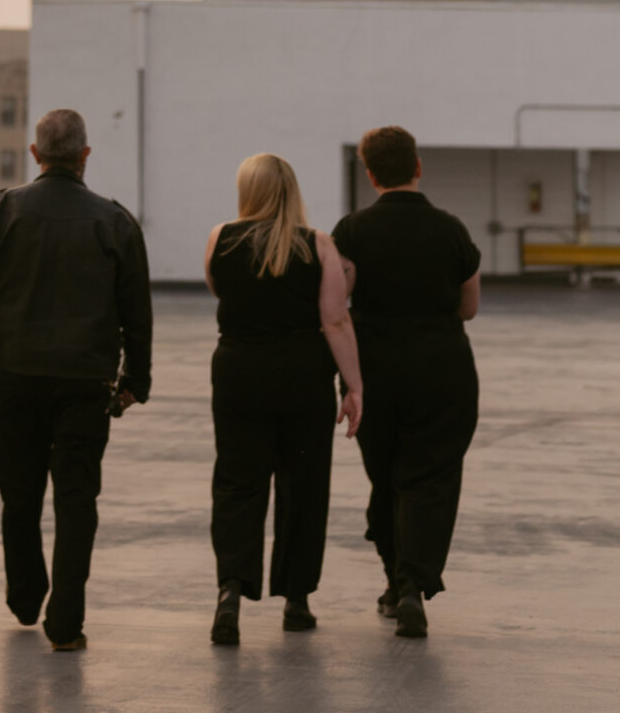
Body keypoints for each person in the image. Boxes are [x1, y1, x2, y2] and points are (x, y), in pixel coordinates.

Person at [0, 107, 152, 652]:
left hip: (15, 378)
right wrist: (135, 377)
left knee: (18, 496)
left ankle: (25, 593)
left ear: (35, 155)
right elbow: (136, 310)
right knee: (76, 501)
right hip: (85, 382)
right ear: (85, 156)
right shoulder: (114, 222)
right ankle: (65, 620)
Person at [204, 153, 363, 646]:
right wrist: (355, 386)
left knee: (237, 483)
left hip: (238, 373)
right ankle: (296, 600)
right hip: (301, 377)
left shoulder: (220, 239)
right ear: (291, 190)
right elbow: (335, 320)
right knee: (303, 483)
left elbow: (219, 291)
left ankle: (230, 592)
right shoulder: (318, 245)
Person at [331, 124, 481, 641]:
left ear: (370, 174)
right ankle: (414, 583)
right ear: (418, 166)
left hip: (373, 369)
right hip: (443, 368)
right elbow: (470, 307)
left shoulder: (350, 231)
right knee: (431, 478)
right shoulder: (452, 230)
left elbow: (336, 308)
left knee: (387, 475)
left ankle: (395, 582)